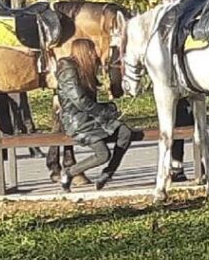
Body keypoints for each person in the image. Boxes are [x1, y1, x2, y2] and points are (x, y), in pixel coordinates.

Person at [54, 38, 143, 191]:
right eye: (92, 51)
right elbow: (80, 101)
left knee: (125, 133)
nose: (95, 54)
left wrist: (109, 107)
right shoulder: (67, 69)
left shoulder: (84, 68)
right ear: (84, 51)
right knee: (103, 154)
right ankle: (68, 173)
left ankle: (107, 173)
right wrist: (105, 111)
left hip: (92, 117)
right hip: (78, 121)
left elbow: (88, 102)